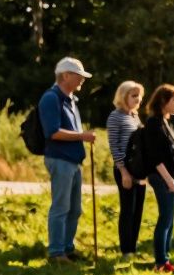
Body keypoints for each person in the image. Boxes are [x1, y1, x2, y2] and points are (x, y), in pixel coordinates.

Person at [38, 56, 95, 263]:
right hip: (60, 159)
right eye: (79, 76)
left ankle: (67, 249)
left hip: (72, 160)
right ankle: (56, 253)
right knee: (61, 207)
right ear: (66, 75)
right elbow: (52, 132)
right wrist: (82, 136)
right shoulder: (51, 98)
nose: (82, 80)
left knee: (75, 209)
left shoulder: (70, 100)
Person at [141, 84, 174, 273]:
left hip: (173, 180)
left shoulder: (166, 123)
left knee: (170, 220)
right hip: (163, 179)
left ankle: (165, 261)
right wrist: (169, 180)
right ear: (163, 101)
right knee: (165, 219)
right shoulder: (153, 123)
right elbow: (156, 157)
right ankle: (160, 262)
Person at [107, 80, 146, 257]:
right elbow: (114, 147)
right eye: (133, 95)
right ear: (123, 96)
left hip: (139, 170)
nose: (137, 99)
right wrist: (123, 172)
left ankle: (133, 247)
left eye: (139, 96)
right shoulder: (115, 116)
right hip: (125, 170)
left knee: (138, 211)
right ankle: (126, 249)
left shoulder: (134, 117)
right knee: (127, 210)